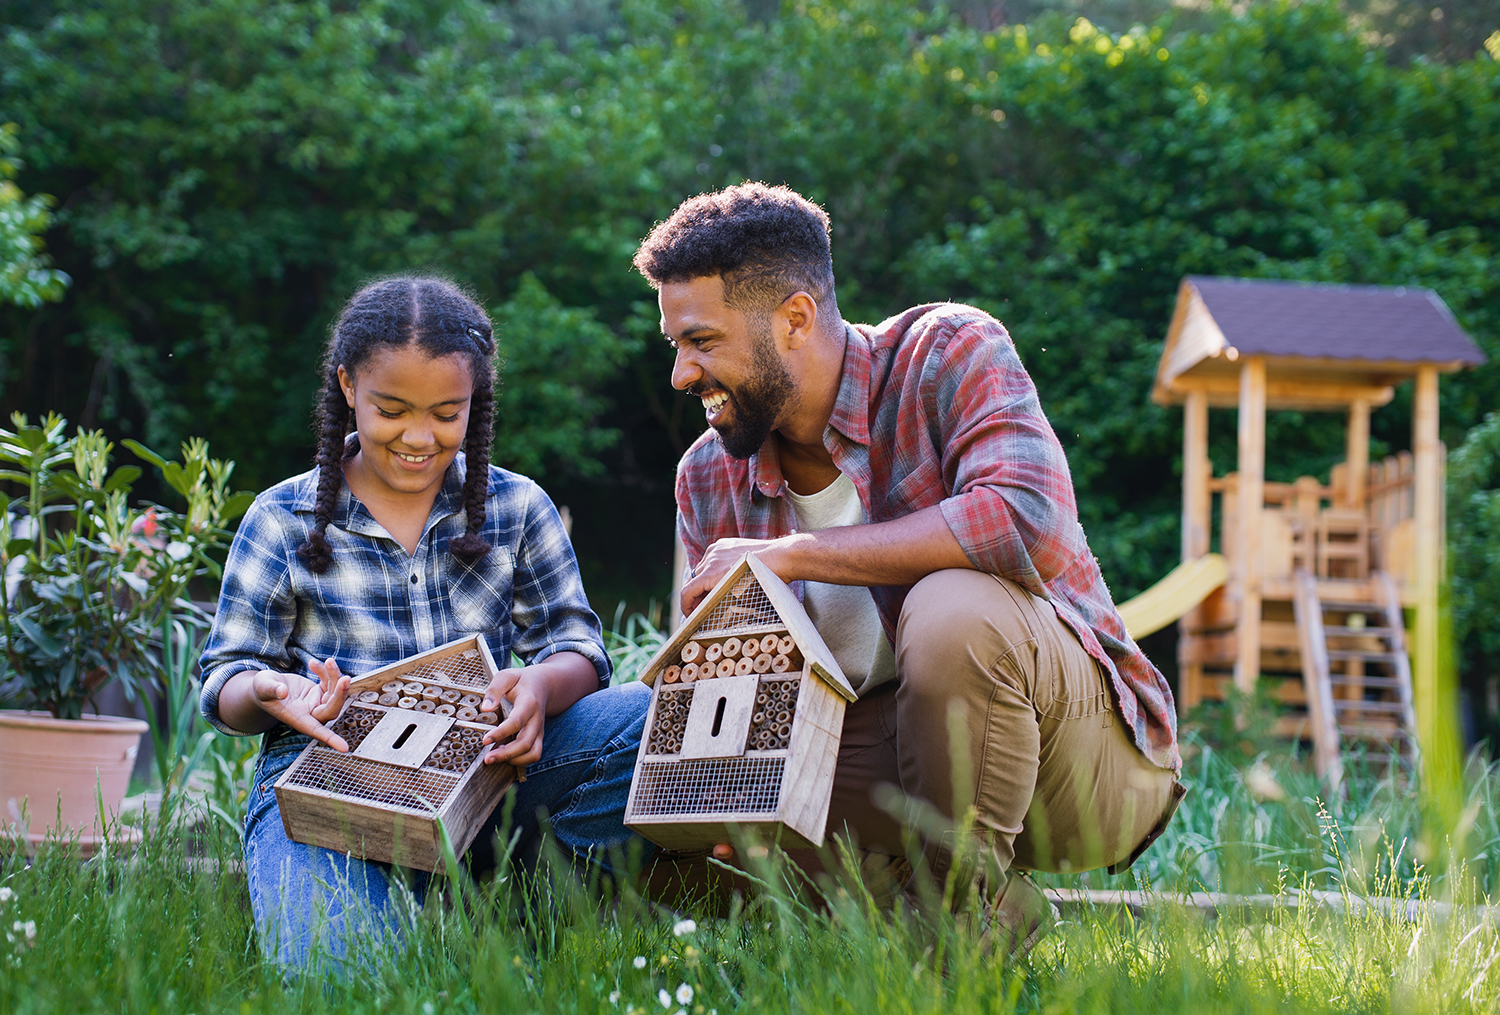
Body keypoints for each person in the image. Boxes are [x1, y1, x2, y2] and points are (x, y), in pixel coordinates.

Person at [632, 183, 1185, 948]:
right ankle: (985, 913)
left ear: (794, 318)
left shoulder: (946, 351)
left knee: (955, 608)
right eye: (676, 347)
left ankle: (955, 933)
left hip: (1079, 762)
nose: (681, 374)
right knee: (665, 837)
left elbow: (1029, 519)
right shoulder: (707, 477)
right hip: (887, 762)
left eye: (701, 341)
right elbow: (743, 696)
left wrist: (795, 554)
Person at [199, 276, 651, 970]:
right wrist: (266, 691)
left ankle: (525, 911)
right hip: (334, 782)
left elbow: (580, 648)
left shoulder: (517, 506)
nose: (419, 437)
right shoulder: (280, 517)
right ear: (349, 387)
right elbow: (225, 676)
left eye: (447, 413)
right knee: (339, 976)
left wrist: (539, 687)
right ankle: (381, 909)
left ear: (477, 404)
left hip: (490, 771)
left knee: (643, 720)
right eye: (392, 409)